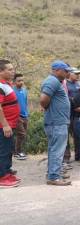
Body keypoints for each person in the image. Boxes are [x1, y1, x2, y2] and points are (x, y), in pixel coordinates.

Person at [40, 60, 72, 186]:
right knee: (57, 150)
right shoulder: (52, 81)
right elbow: (43, 100)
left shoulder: (55, 81)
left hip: (57, 122)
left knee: (55, 149)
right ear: (57, 70)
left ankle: (53, 173)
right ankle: (54, 177)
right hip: (56, 122)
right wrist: (48, 107)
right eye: (66, 71)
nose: (67, 73)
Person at [0, 59, 21, 188]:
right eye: (9, 69)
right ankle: (2, 178)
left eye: (13, 69)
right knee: (3, 151)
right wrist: (5, 125)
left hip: (11, 124)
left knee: (8, 150)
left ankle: (7, 172)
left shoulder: (6, 84)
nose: (13, 71)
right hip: (4, 126)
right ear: (1, 71)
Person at [64, 67, 80, 165]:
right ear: (70, 73)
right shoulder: (65, 84)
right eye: (76, 73)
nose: (78, 75)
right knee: (66, 136)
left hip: (77, 113)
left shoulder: (79, 84)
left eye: (79, 74)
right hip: (67, 114)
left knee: (78, 135)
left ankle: (78, 155)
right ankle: (66, 157)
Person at [13, 73, 29, 160]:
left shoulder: (24, 90)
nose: (21, 82)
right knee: (21, 134)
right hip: (17, 116)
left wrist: (27, 113)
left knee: (23, 135)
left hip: (25, 115)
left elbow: (25, 102)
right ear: (14, 82)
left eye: (22, 80)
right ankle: (17, 152)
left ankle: (19, 151)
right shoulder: (12, 91)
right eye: (19, 81)